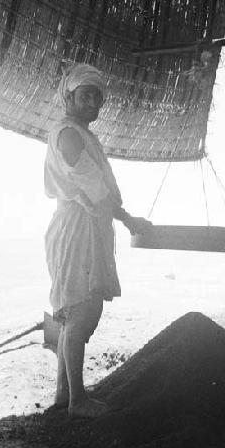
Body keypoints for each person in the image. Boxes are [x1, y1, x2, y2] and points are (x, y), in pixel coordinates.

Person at [44, 63, 152, 418]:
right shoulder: (70, 134)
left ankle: (64, 395)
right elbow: (94, 189)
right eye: (85, 94)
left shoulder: (80, 134)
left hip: (85, 224)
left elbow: (100, 192)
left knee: (74, 313)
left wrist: (126, 219)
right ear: (69, 96)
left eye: (98, 96)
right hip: (78, 227)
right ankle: (78, 402)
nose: (92, 101)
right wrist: (127, 218)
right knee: (83, 311)